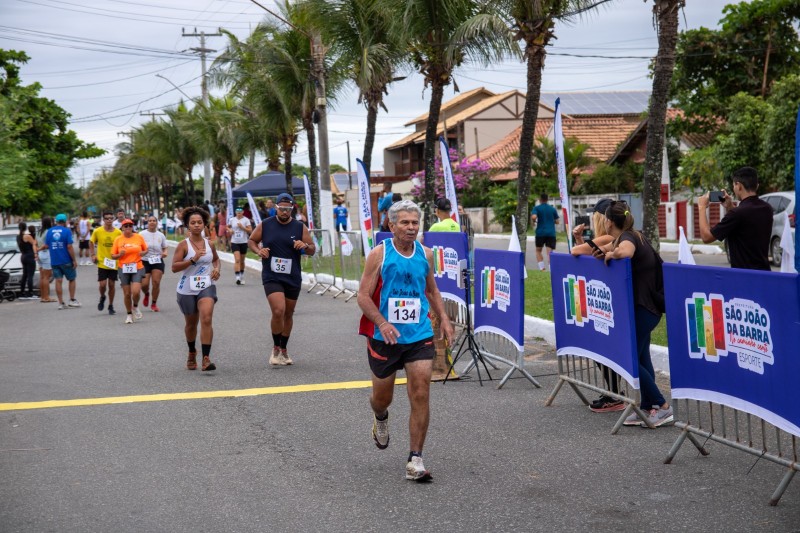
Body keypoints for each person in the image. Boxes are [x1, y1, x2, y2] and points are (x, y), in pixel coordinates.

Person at [357, 200, 454, 482]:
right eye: (405, 223)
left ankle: (415, 459)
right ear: (391, 225)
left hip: (418, 335)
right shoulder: (379, 254)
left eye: (415, 222)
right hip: (384, 337)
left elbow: (432, 290)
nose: (411, 228)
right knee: (382, 398)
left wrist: (444, 319)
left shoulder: (426, 253)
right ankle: (380, 417)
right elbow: (363, 296)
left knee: (421, 390)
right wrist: (382, 322)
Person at [597, 200, 672, 428]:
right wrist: (606, 250)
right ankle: (650, 408)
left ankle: (662, 405)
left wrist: (614, 254)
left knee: (626, 358)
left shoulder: (627, 239)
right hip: (647, 308)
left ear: (609, 222)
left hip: (644, 309)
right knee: (641, 357)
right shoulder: (635, 234)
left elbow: (626, 253)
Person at [248, 192, 315, 366]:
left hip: (292, 275)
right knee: (278, 310)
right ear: (276, 208)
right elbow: (252, 241)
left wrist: (305, 245)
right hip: (272, 275)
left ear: (292, 209)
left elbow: (313, 249)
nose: (285, 212)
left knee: (288, 313)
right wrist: (258, 251)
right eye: (281, 208)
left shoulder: (300, 227)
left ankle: (283, 350)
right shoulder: (265, 225)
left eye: (288, 209)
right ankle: (275, 348)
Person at [571, 198, 624, 413]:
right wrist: (579, 238)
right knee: (602, 349)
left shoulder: (609, 237)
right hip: (603, 299)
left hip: (609, 301)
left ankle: (616, 394)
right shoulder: (607, 237)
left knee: (606, 349)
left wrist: (581, 242)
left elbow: (576, 253)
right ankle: (614, 392)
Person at [172, 206, 221, 372]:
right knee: (191, 325)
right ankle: (192, 351)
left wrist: (216, 269)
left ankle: (206, 358)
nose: (197, 225)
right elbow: (174, 267)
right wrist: (193, 259)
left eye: (200, 222)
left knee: (206, 318)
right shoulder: (183, 245)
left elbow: (216, 260)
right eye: (193, 222)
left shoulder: (210, 244)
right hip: (186, 288)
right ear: (187, 225)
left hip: (206, 285)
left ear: (204, 224)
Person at [698, 166, 773, 271]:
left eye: (734, 185)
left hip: (744, 278)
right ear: (757, 185)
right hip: (765, 275)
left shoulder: (737, 214)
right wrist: (730, 207)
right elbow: (746, 224)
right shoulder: (767, 208)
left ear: (738, 186)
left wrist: (701, 208)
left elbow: (706, 237)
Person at [111, 219, 147, 324]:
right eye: (125, 226)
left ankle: (135, 306)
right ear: (122, 228)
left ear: (132, 227)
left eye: (130, 226)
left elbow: (145, 249)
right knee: (127, 294)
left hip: (137, 266)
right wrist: (119, 255)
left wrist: (143, 253)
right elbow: (113, 256)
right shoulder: (118, 239)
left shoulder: (139, 237)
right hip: (123, 267)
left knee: (136, 291)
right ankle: (129, 314)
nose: (128, 228)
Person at [90, 211, 122, 315]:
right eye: (107, 218)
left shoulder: (118, 232)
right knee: (103, 284)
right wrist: (92, 255)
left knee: (112, 285)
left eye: (111, 218)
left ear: (113, 219)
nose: (109, 220)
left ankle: (111, 305)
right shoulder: (97, 231)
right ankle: (102, 296)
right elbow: (91, 242)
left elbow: (122, 244)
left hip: (114, 262)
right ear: (103, 220)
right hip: (102, 261)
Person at [46, 213, 80, 310]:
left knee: (58, 280)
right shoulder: (66, 231)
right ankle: (72, 300)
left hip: (55, 260)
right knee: (72, 279)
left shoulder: (49, 231)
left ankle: (61, 303)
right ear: (65, 221)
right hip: (66, 260)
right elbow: (69, 246)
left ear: (56, 221)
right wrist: (74, 260)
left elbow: (48, 245)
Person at [140, 215, 169, 312]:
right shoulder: (141, 234)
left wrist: (165, 252)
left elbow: (165, 247)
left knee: (156, 282)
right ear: (147, 223)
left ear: (157, 222)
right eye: (150, 221)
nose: (152, 222)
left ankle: (154, 303)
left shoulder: (161, 235)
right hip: (144, 260)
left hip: (157, 260)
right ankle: (147, 294)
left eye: (154, 221)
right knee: (144, 284)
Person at [530, 193, 559, 271]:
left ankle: (542, 268)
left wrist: (533, 220)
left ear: (540, 199)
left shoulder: (537, 208)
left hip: (540, 233)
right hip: (551, 233)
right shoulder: (552, 209)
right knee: (549, 252)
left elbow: (534, 216)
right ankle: (550, 269)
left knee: (538, 250)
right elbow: (557, 221)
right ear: (547, 199)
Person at [228, 206, 252, 285]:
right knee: (237, 260)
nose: (238, 213)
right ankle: (237, 277)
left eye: (240, 211)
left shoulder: (246, 220)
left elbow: (250, 231)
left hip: (243, 242)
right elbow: (227, 227)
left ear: (243, 212)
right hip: (234, 242)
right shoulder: (232, 220)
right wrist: (230, 230)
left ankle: (242, 275)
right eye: (237, 211)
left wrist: (242, 227)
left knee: (242, 261)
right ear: (235, 212)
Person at [36, 217, 55, 303]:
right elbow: (47, 245)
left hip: (40, 255)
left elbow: (35, 243)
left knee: (42, 277)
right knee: (47, 277)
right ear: (49, 223)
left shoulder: (38, 232)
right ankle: (47, 297)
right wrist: (40, 249)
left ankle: (42, 297)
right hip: (46, 253)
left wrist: (37, 251)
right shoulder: (49, 232)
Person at [17, 222, 37, 299]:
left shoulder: (18, 237)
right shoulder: (27, 236)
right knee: (30, 275)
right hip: (29, 256)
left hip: (23, 256)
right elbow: (34, 243)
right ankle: (30, 292)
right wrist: (35, 253)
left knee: (25, 275)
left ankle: (22, 292)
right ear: (26, 228)